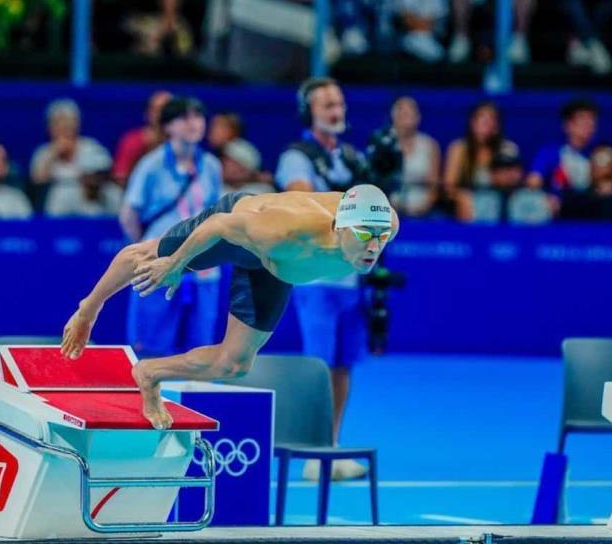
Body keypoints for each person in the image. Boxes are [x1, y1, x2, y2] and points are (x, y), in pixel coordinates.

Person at [60, 184, 400, 432]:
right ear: (341, 227)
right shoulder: (285, 229)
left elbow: (375, 227)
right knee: (148, 256)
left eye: (380, 237)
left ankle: (149, 373)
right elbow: (219, 224)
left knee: (234, 365)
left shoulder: (386, 224)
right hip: (241, 233)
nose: (374, 246)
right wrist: (176, 265)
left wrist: (374, 232)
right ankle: (87, 309)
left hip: (276, 267)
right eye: (364, 235)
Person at [275, 77, 373, 481]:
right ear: (308, 113)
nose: (336, 111)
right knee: (319, 366)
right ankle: (312, 452)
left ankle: (329, 447)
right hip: (316, 280)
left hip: (351, 278)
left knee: (343, 366)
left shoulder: (352, 159)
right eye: (326, 104)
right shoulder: (296, 157)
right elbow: (303, 203)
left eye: (339, 103)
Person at [120, 97, 222, 358]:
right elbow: (129, 214)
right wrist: (148, 250)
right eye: (185, 118)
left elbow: (216, 215)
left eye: (198, 117)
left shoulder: (211, 165)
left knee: (199, 352)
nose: (194, 124)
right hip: (159, 269)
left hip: (202, 269)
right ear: (167, 126)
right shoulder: (151, 165)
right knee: (152, 349)